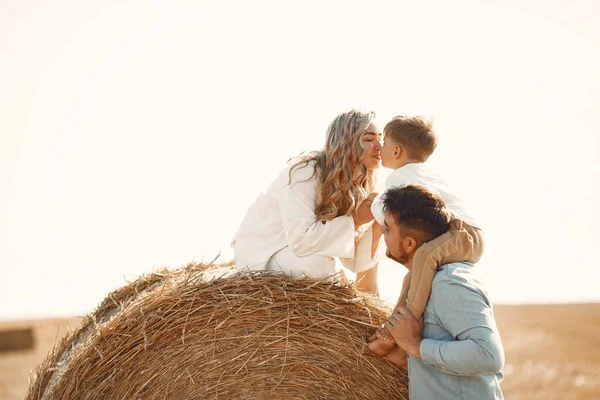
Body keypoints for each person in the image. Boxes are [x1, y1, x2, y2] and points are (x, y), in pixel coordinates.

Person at [232, 109, 385, 293]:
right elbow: (301, 239)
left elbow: (353, 260)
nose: (379, 146)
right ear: (347, 142)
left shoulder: (367, 181)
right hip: (263, 251)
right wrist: (356, 220)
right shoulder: (304, 173)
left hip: (300, 251)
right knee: (319, 268)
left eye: (380, 138)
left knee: (325, 268)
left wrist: (377, 226)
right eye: (369, 139)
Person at [368, 116, 485, 356]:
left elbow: (386, 211)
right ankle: (393, 332)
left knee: (423, 257)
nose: (380, 147)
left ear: (397, 150)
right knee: (413, 276)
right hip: (469, 234)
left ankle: (403, 326)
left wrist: (372, 201)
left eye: (385, 141)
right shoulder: (428, 173)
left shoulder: (400, 176)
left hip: (461, 233)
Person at [376, 185, 504, 399]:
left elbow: (488, 355)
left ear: (409, 243)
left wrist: (415, 345)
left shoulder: (449, 282)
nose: (381, 231)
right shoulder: (421, 283)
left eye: (387, 228)